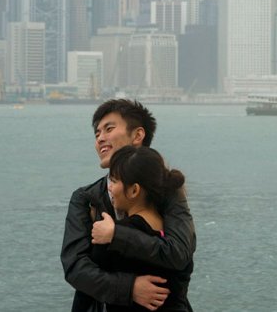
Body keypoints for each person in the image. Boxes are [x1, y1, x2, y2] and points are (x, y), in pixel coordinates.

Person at [61, 99, 196, 311]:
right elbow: (75, 267)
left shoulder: (168, 189)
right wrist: (130, 288)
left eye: (109, 129)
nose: (100, 139)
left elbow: (179, 253)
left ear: (138, 135)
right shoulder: (85, 198)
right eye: (96, 134)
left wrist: (116, 234)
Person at [90, 145, 191, 311]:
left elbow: (90, 280)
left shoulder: (113, 237)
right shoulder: (178, 236)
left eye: (114, 181)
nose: (109, 187)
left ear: (134, 190)